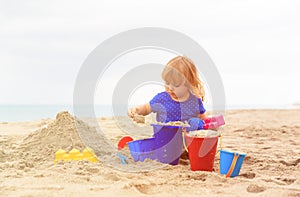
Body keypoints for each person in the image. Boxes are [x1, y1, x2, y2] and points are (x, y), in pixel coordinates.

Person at [128, 56, 207, 131]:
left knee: (196, 122)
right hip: (165, 137)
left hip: (187, 139)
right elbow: (146, 108)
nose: (170, 88)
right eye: (167, 83)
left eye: (176, 85)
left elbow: (203, 118)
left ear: (189, 84)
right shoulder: (161, 99)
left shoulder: (194, 101)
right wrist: (136, 110)